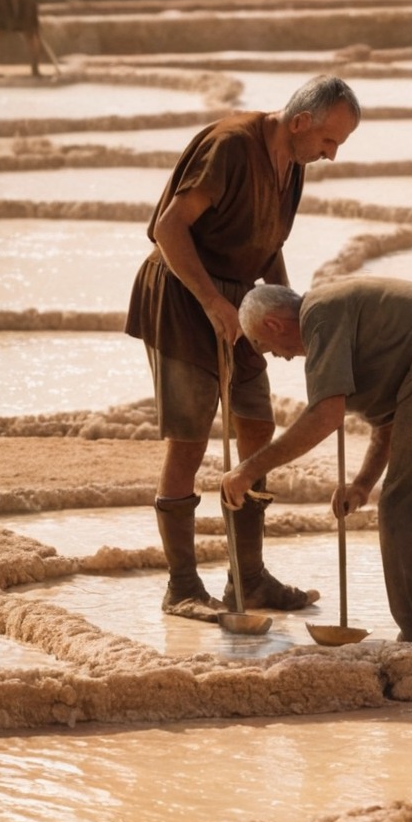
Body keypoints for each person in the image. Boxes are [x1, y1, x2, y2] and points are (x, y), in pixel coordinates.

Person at [124, 76, 361, 622]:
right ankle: (182, 586)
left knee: (256, 429)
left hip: (242, 302)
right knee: (188, 439)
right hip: (186, 296)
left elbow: (270, 247)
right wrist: (211, 301)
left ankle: (247, 578)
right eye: (329, 142)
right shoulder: (231, 146)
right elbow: (169, 228)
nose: (329, 155)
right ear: (300, 122)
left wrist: (288, 311)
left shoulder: (293, 165)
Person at [221, 278, 412, 644]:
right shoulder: (345, 315)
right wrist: (362, 485)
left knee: (405, 505)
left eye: (267, 348)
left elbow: (325, 416)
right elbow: (391, 424)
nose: (283, 357)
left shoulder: (318, 316)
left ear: (273, 325)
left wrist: (249, 470)